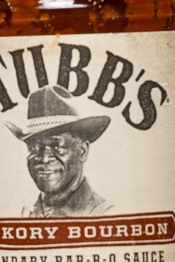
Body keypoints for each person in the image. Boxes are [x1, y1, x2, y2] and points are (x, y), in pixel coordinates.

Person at [8, 87, 112, 217]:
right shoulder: (27, 214)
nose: (44, 158)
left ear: (82, 151)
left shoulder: (103, 214)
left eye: (57, 146)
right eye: (34, 148)